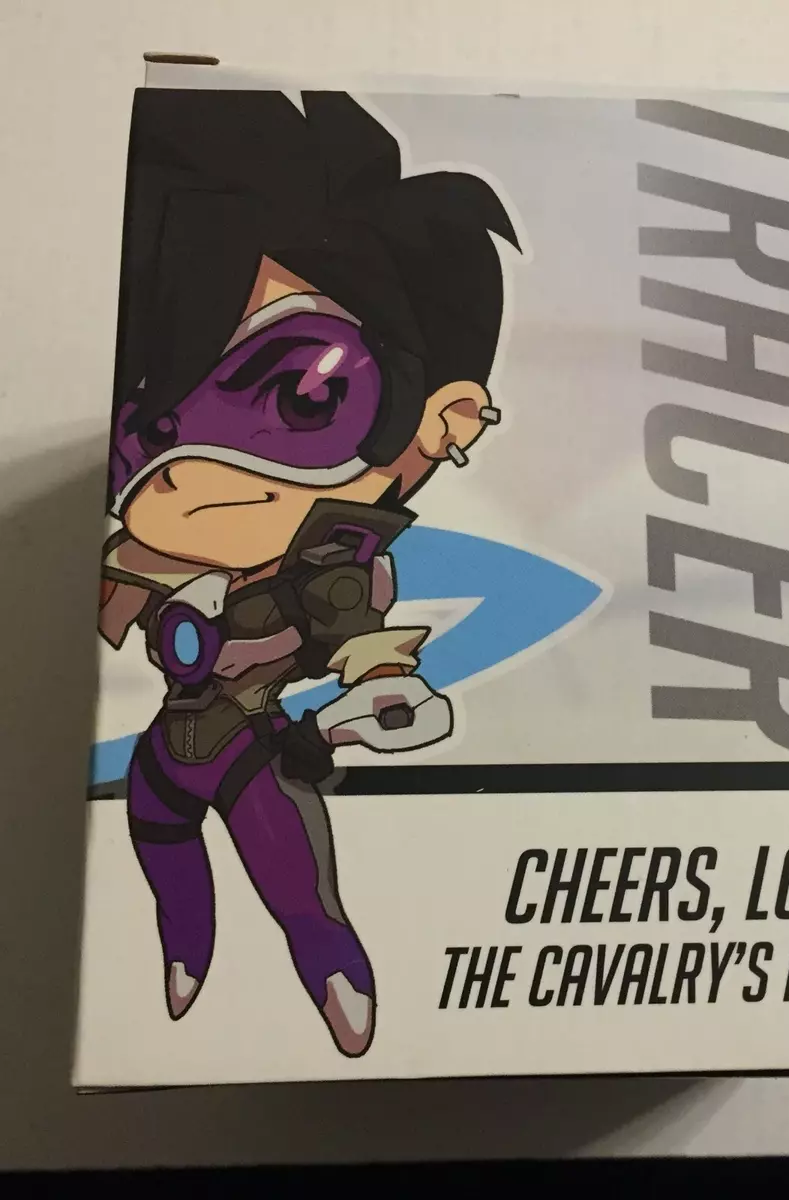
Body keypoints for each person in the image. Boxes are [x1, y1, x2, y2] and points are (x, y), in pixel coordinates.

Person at [97, 89, 519, 1056]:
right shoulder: (141, 552)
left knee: (301, 902)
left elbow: (359, 638)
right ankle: (183, 964)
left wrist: (379, 688)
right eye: (143, 428)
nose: (178, 478)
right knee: (165, 863)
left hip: (254, 755)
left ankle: (335, 986)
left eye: (294, 396)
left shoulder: (327, 569)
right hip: (163, 756)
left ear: (444, 419)